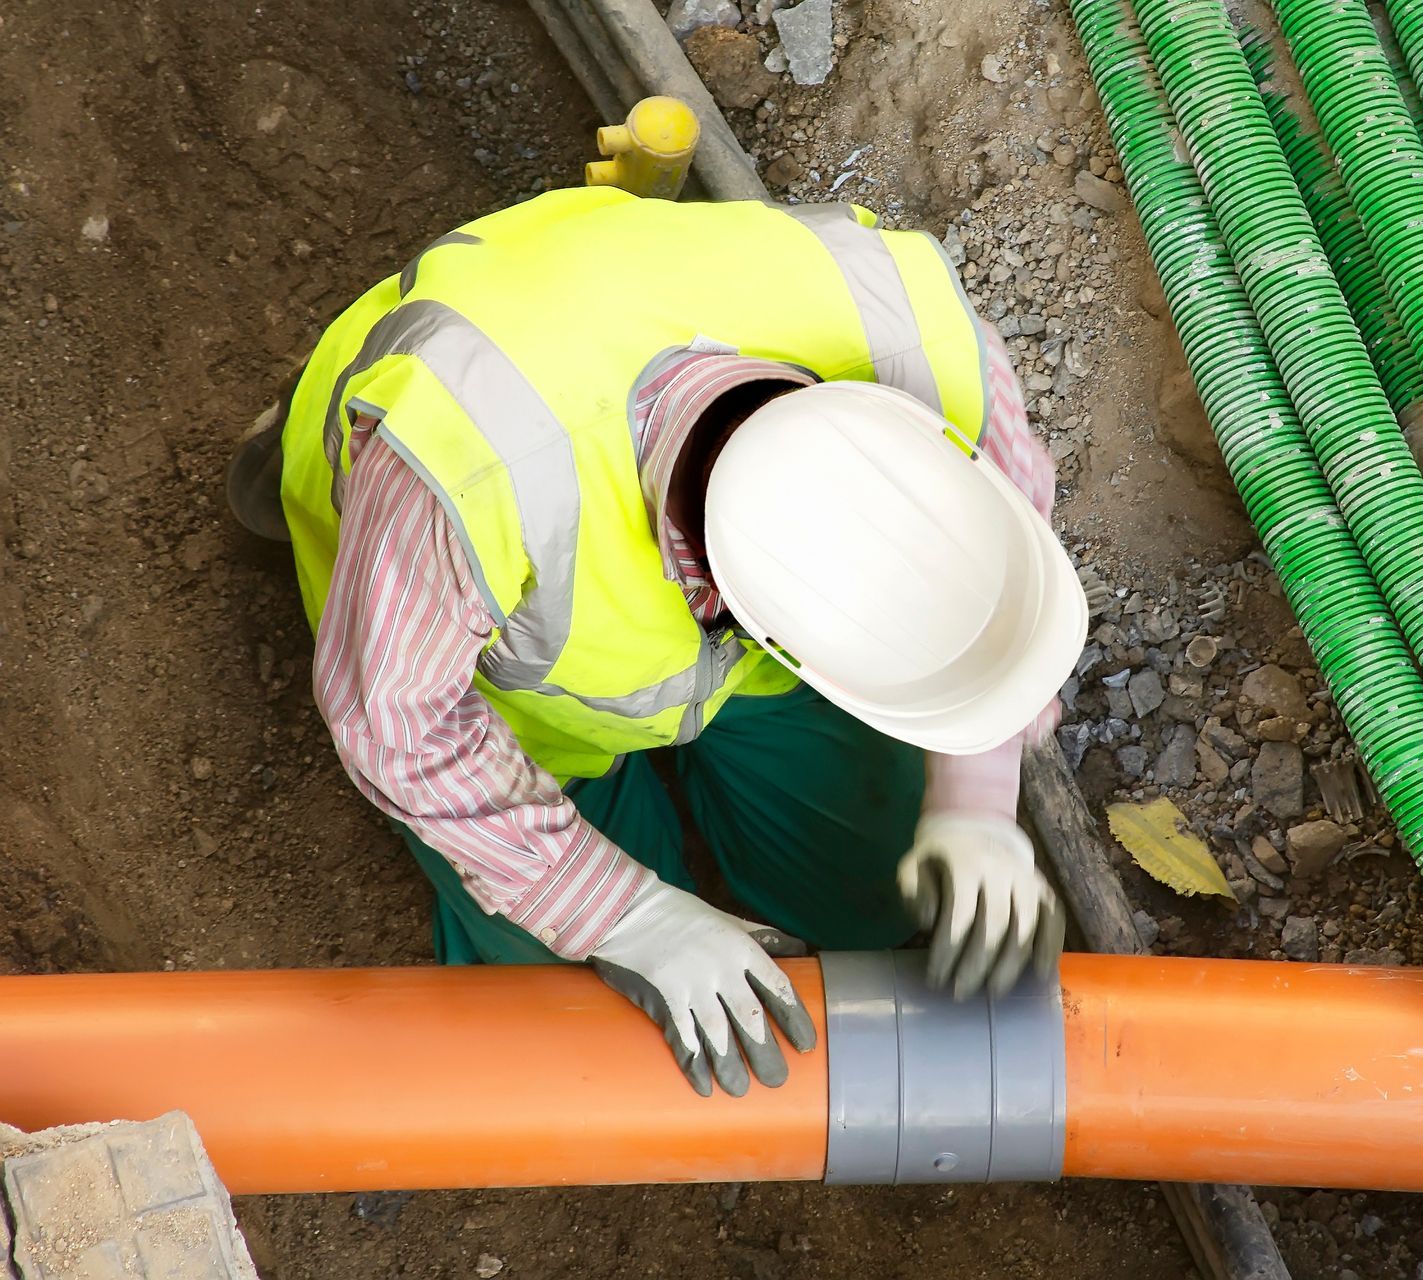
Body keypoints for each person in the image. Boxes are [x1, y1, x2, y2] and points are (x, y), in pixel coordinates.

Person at [228, 188, 1087, 1098]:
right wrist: (630, 918)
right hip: (500, 663)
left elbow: (998, 569)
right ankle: (293, 437)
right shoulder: (464, 478)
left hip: (690, 606)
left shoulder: (919, 337)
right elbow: (399, 726)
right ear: (748, 617)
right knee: (580, 1028)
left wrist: (976, 800)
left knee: (870, 903)